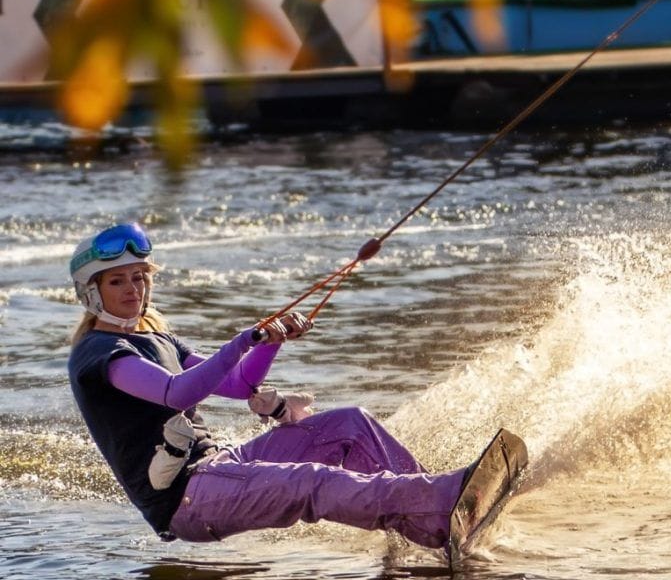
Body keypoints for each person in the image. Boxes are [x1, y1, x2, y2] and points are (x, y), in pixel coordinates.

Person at [67, 222, 480, 553]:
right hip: (184, 499)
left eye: (139, 277)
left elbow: (238, 383)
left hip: (220, 465)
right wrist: (241, 341)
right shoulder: (100, 354)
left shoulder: (159, 339)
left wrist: (272, 340)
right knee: (309, 482)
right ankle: (435, 502)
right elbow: (177, 393)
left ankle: (433, 517)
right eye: (117, 281)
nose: (133, 289)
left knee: (349, 425)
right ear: (92, 292)